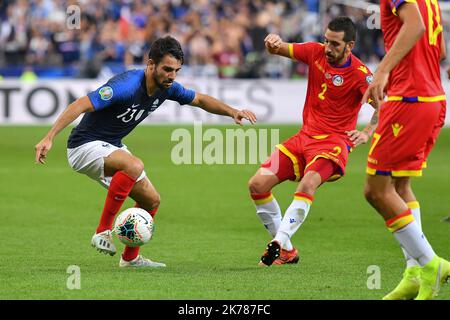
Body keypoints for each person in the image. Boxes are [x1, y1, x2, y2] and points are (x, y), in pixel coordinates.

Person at [35, 36, 257, 268]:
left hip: (111, 145)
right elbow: (81, 104)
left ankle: (130, 259)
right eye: (167, 69)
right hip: (83, 146)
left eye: (176, 71)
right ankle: (102, 231)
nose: (172, 76)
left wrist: (233, 112)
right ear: (150, 64)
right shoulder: (126, 86)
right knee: (134, 165)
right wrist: (49, 137)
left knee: (151, 201)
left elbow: (200, 100)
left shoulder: (166, 88)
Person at [248, 17, 378, 266]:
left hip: (333, 144)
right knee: (257, 184)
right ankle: (286, 250)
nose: (328, 48)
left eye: (335, 44)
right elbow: (277, 48)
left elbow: (382, 106)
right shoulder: (314, 52)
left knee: (307, 185)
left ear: (349, 45)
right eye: (326, 40)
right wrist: (272, 41)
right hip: (303, 139)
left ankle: (278, 241)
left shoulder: (361, 75)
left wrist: (368, 131)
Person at [362, 0, 449, 300]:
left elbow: (416, 26)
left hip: (409, 99)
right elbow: (441, 49)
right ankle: (414, 273)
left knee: (375, 190)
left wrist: (383, 70)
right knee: (400, 186)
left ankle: (430, 263)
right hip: (432, 97)